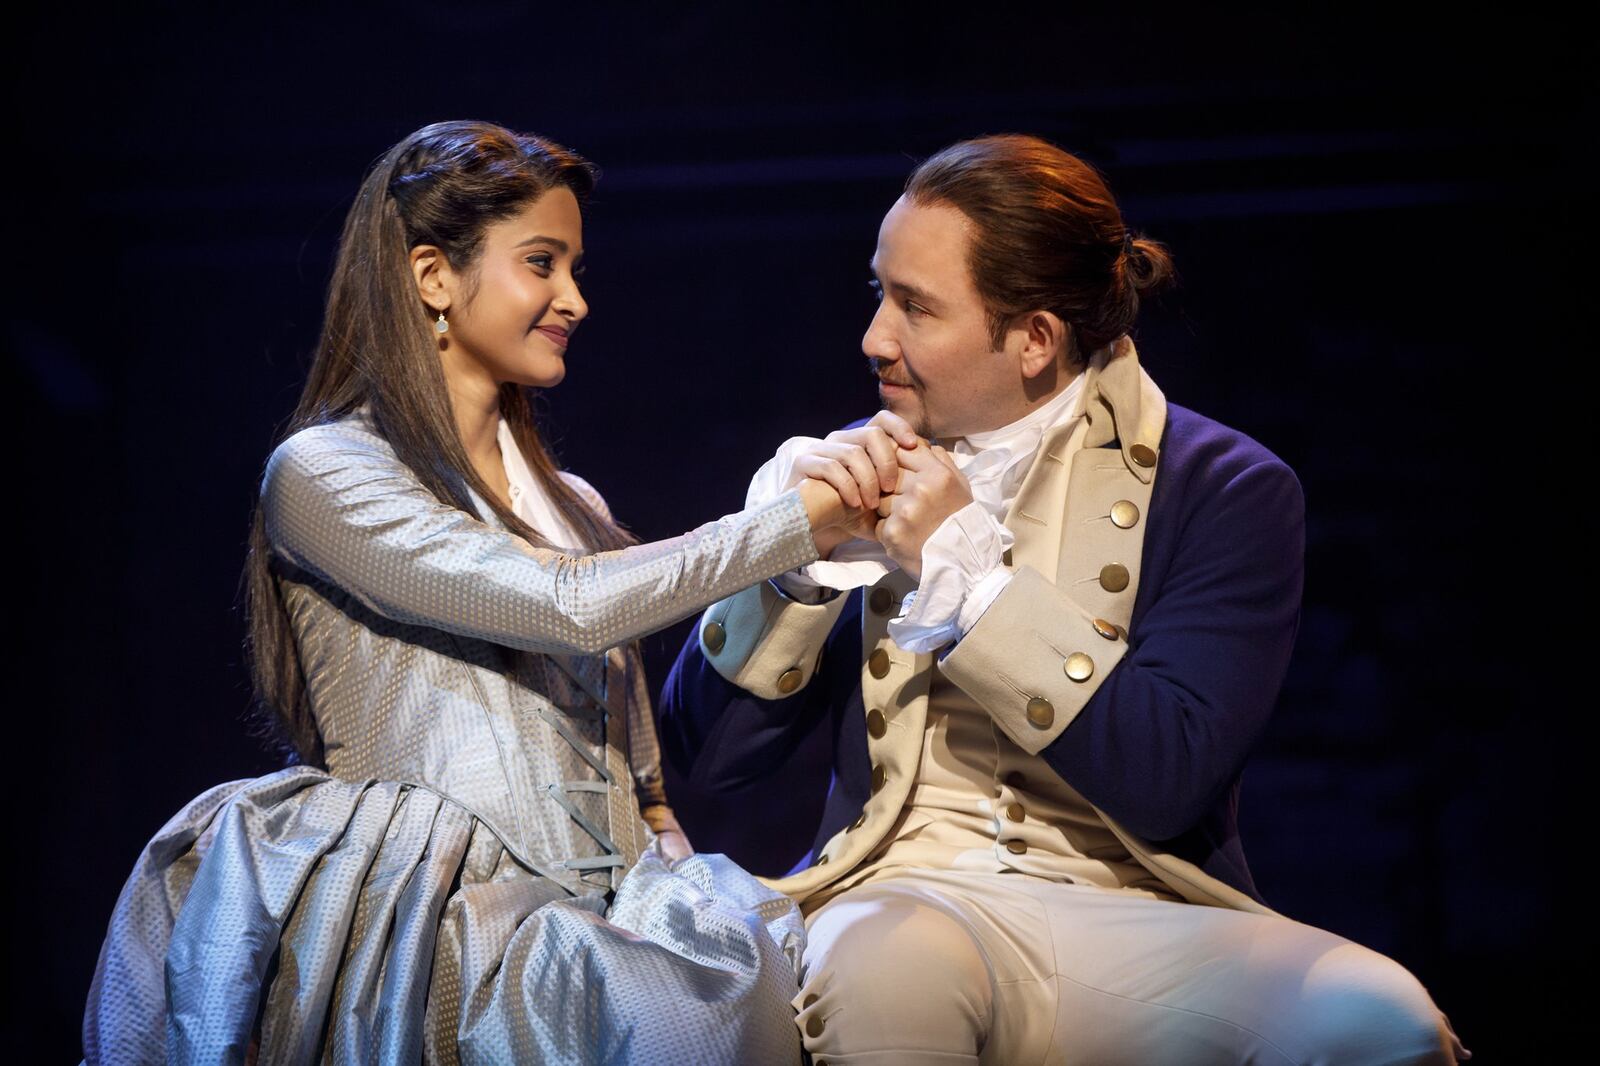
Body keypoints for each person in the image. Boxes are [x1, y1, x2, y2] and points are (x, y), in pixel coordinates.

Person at [659, 135, 1471, 1063]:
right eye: (877, 292)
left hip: (1138, 915)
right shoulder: (857, 466)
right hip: (906, 891)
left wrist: (971, 577)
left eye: (915, 307)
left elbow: (1167, 780)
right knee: (882, 964)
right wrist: (790, 569)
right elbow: (710, 762)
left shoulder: (1223, 486)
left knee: (1378, 1021)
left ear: (1036, 340)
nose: (874, 337)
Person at [80, 120, 864, 1065]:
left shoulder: (576, 508)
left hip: (606, 922)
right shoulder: (327, 472)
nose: (573, 297)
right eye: (543, 262)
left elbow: (641, 779)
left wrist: (676, 887)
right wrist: (794, 524)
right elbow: (566, 603)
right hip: (433, 914)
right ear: (433, 278)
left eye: (574, 266)